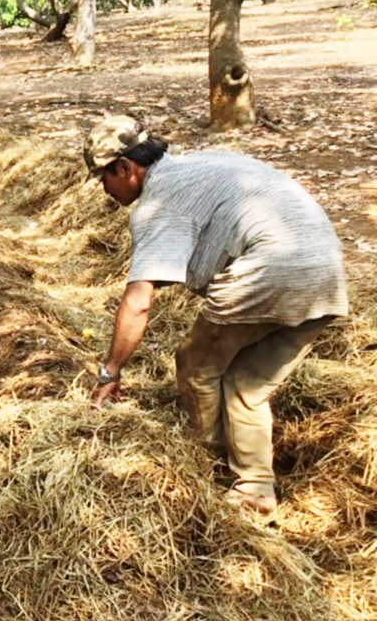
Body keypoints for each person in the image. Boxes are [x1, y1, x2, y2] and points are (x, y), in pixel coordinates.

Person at [84, 115, 348, 512]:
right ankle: (255, 487)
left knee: (196, 365)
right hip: (326, 272)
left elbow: (139, 300)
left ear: (125, 168)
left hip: (268, 270)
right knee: (246, 382)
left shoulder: (159, 203)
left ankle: (207, 466)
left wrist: (111, 371)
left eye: (103, 178)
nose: (105, 190)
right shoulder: (208, 164)